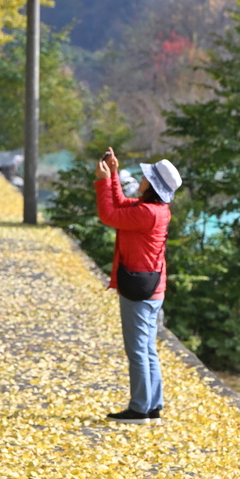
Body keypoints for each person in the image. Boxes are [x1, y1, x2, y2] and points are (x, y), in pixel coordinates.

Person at [94, 146, 182, 422]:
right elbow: (119, 204)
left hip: (140, 289)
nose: (142, 178)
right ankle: (152, 406)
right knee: (147, 348)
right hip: (153, 288)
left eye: (147, 176)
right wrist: (112, 174)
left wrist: (100, 181)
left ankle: (140, 408)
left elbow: (108, 215)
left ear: (153, 185)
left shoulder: (147, 213)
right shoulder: (155, 209)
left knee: (137, 350)